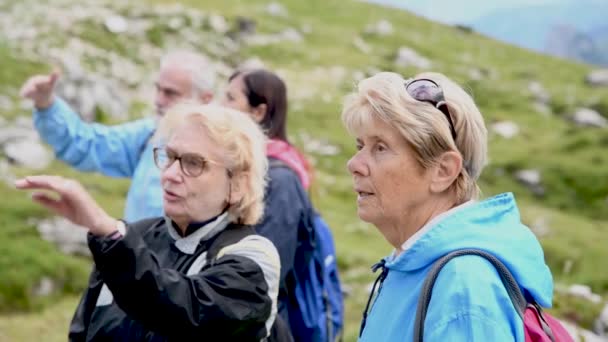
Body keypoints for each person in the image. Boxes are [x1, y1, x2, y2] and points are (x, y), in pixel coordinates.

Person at [15, 103, 282, 341]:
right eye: (170, 157)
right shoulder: (136, 236)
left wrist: (111, 235)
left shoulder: (253, 257)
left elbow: (187, 310)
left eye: (193, 163)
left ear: (236, 184)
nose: (170, 175)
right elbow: (82, 331)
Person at [342, 72, 553, 341]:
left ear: (443, 171)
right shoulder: (413, 264)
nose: (354, 164)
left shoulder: (464, 289)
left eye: (380, 148)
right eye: (361, 145)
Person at [19, 51, 215, 222]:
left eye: (170, 93)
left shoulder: (220, 154)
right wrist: (47, 105)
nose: (158, 100)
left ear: (205, 99)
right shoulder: (149, 134)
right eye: (158, 89)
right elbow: (88, 144)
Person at [220, 68, 312, 327]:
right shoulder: (242, 168)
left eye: (230, 99)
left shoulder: (281, 181)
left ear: (258, 111)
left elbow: (266, 274)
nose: (220, 106)